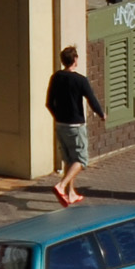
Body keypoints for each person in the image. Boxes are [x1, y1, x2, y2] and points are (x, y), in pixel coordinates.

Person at [44, 45, 104, 207]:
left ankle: (71, 194)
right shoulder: (80, 80)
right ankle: (61, 186)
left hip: (60, 124)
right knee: (81, 159)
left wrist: (58, 116)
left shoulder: (56, 77)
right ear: (75, 60)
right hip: (76, 126)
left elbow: (49, 103)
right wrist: (102, 114)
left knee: (69, 159)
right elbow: (92, 100)